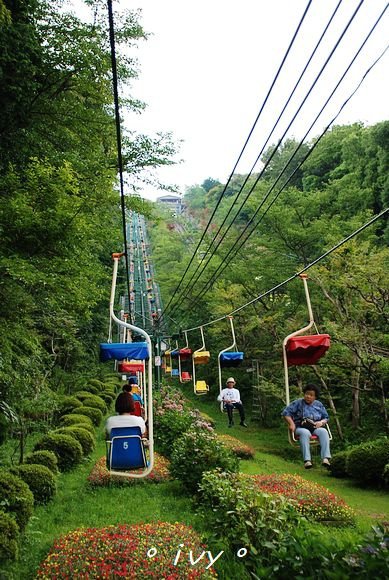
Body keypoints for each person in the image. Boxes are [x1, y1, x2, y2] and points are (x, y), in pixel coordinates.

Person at [281, 383, 331, 469]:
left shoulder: (318, 405)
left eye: (311, 395)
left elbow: (326, 417)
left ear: (315, 397)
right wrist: (291, 423)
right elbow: (286, 413)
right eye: (307, 394)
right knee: (305, 432)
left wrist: (321, 422)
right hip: (300, 427)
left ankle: (325, 458)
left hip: (314, 427)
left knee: (323, 431)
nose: (308, 396)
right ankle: (307, 461)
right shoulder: (298, 403)